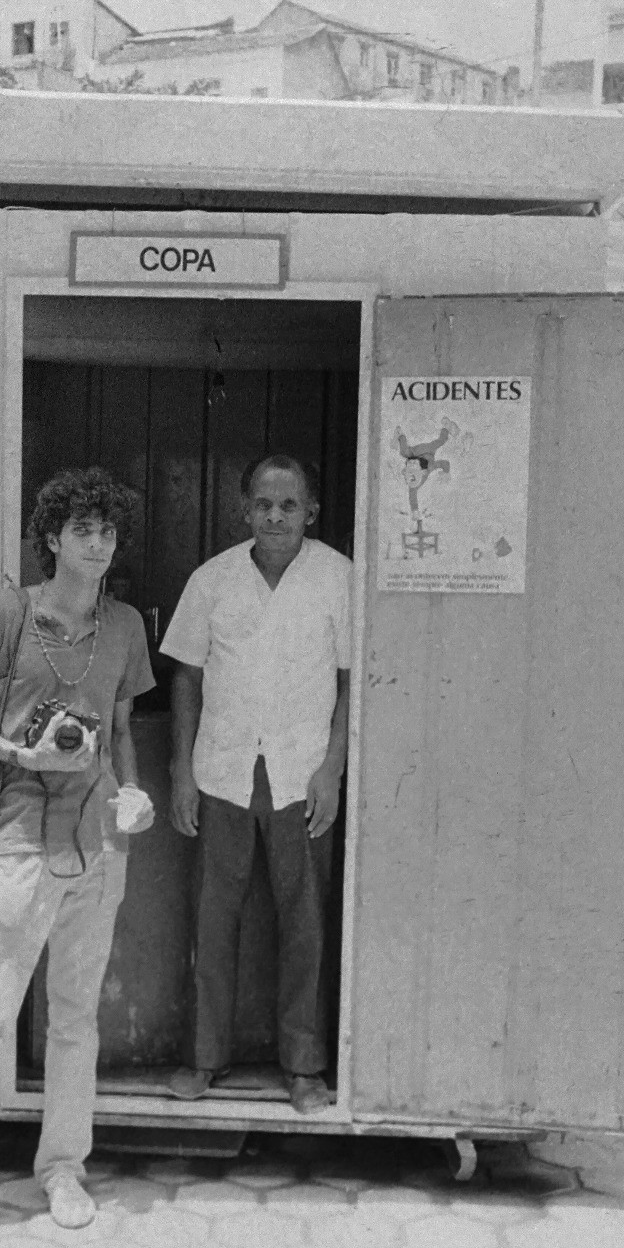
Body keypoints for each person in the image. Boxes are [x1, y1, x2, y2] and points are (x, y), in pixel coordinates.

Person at [0, 466, 155, 1248]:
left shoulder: (122, 628)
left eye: (107, 530)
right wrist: (21, 751)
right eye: (81, 529)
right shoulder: (7, 612)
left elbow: (117, 729)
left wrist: (134, 795)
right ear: (51, 538)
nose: (97, 542)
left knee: (77, 1019)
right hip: (18, 839)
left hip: (97, 847)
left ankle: (63, 1168)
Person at [160, 454, 351, 1113]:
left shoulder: (338, 578)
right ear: (244, 510)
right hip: (222, 773)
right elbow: (185, 675)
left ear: (311, 511)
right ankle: (202, 1058)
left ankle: (303, 1066)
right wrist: (180, 770)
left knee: (306, 924)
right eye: (264, 505)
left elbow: (353, 681)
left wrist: (332, 769)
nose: (275, 517)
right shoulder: (211, 580)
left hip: (302, 776)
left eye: (289, 505)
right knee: (212, 919)